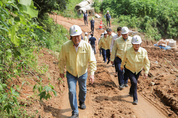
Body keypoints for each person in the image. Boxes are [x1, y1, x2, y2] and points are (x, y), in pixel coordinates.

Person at [59, 25, 97, 118]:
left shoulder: (86, 46)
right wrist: (61, 71)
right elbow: (62, 59)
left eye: (78, 36)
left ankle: (82, 101)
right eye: (74, 36)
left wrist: (92, 74)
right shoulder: (65, 46)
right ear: (70, 37)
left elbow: (92, 60)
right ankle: (75, 111)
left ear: (81, 35)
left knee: (83, 89)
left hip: (83, 72)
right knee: (72, 91)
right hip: (71, 73)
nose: (76, 38)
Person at [120, 35, 150, 105]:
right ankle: (135, 99)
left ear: (140, 44)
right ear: (132, 44)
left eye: (138, 44)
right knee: (134, 82)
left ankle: (131, 91)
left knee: (134, 82)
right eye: (135, 44)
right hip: (129, 69)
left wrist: (146, 71)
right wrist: (122, 66)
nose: (136, 45)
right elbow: (124, 59)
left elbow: (146, 62)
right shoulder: (128, 51)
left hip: (138, 69)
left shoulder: (144, 51)